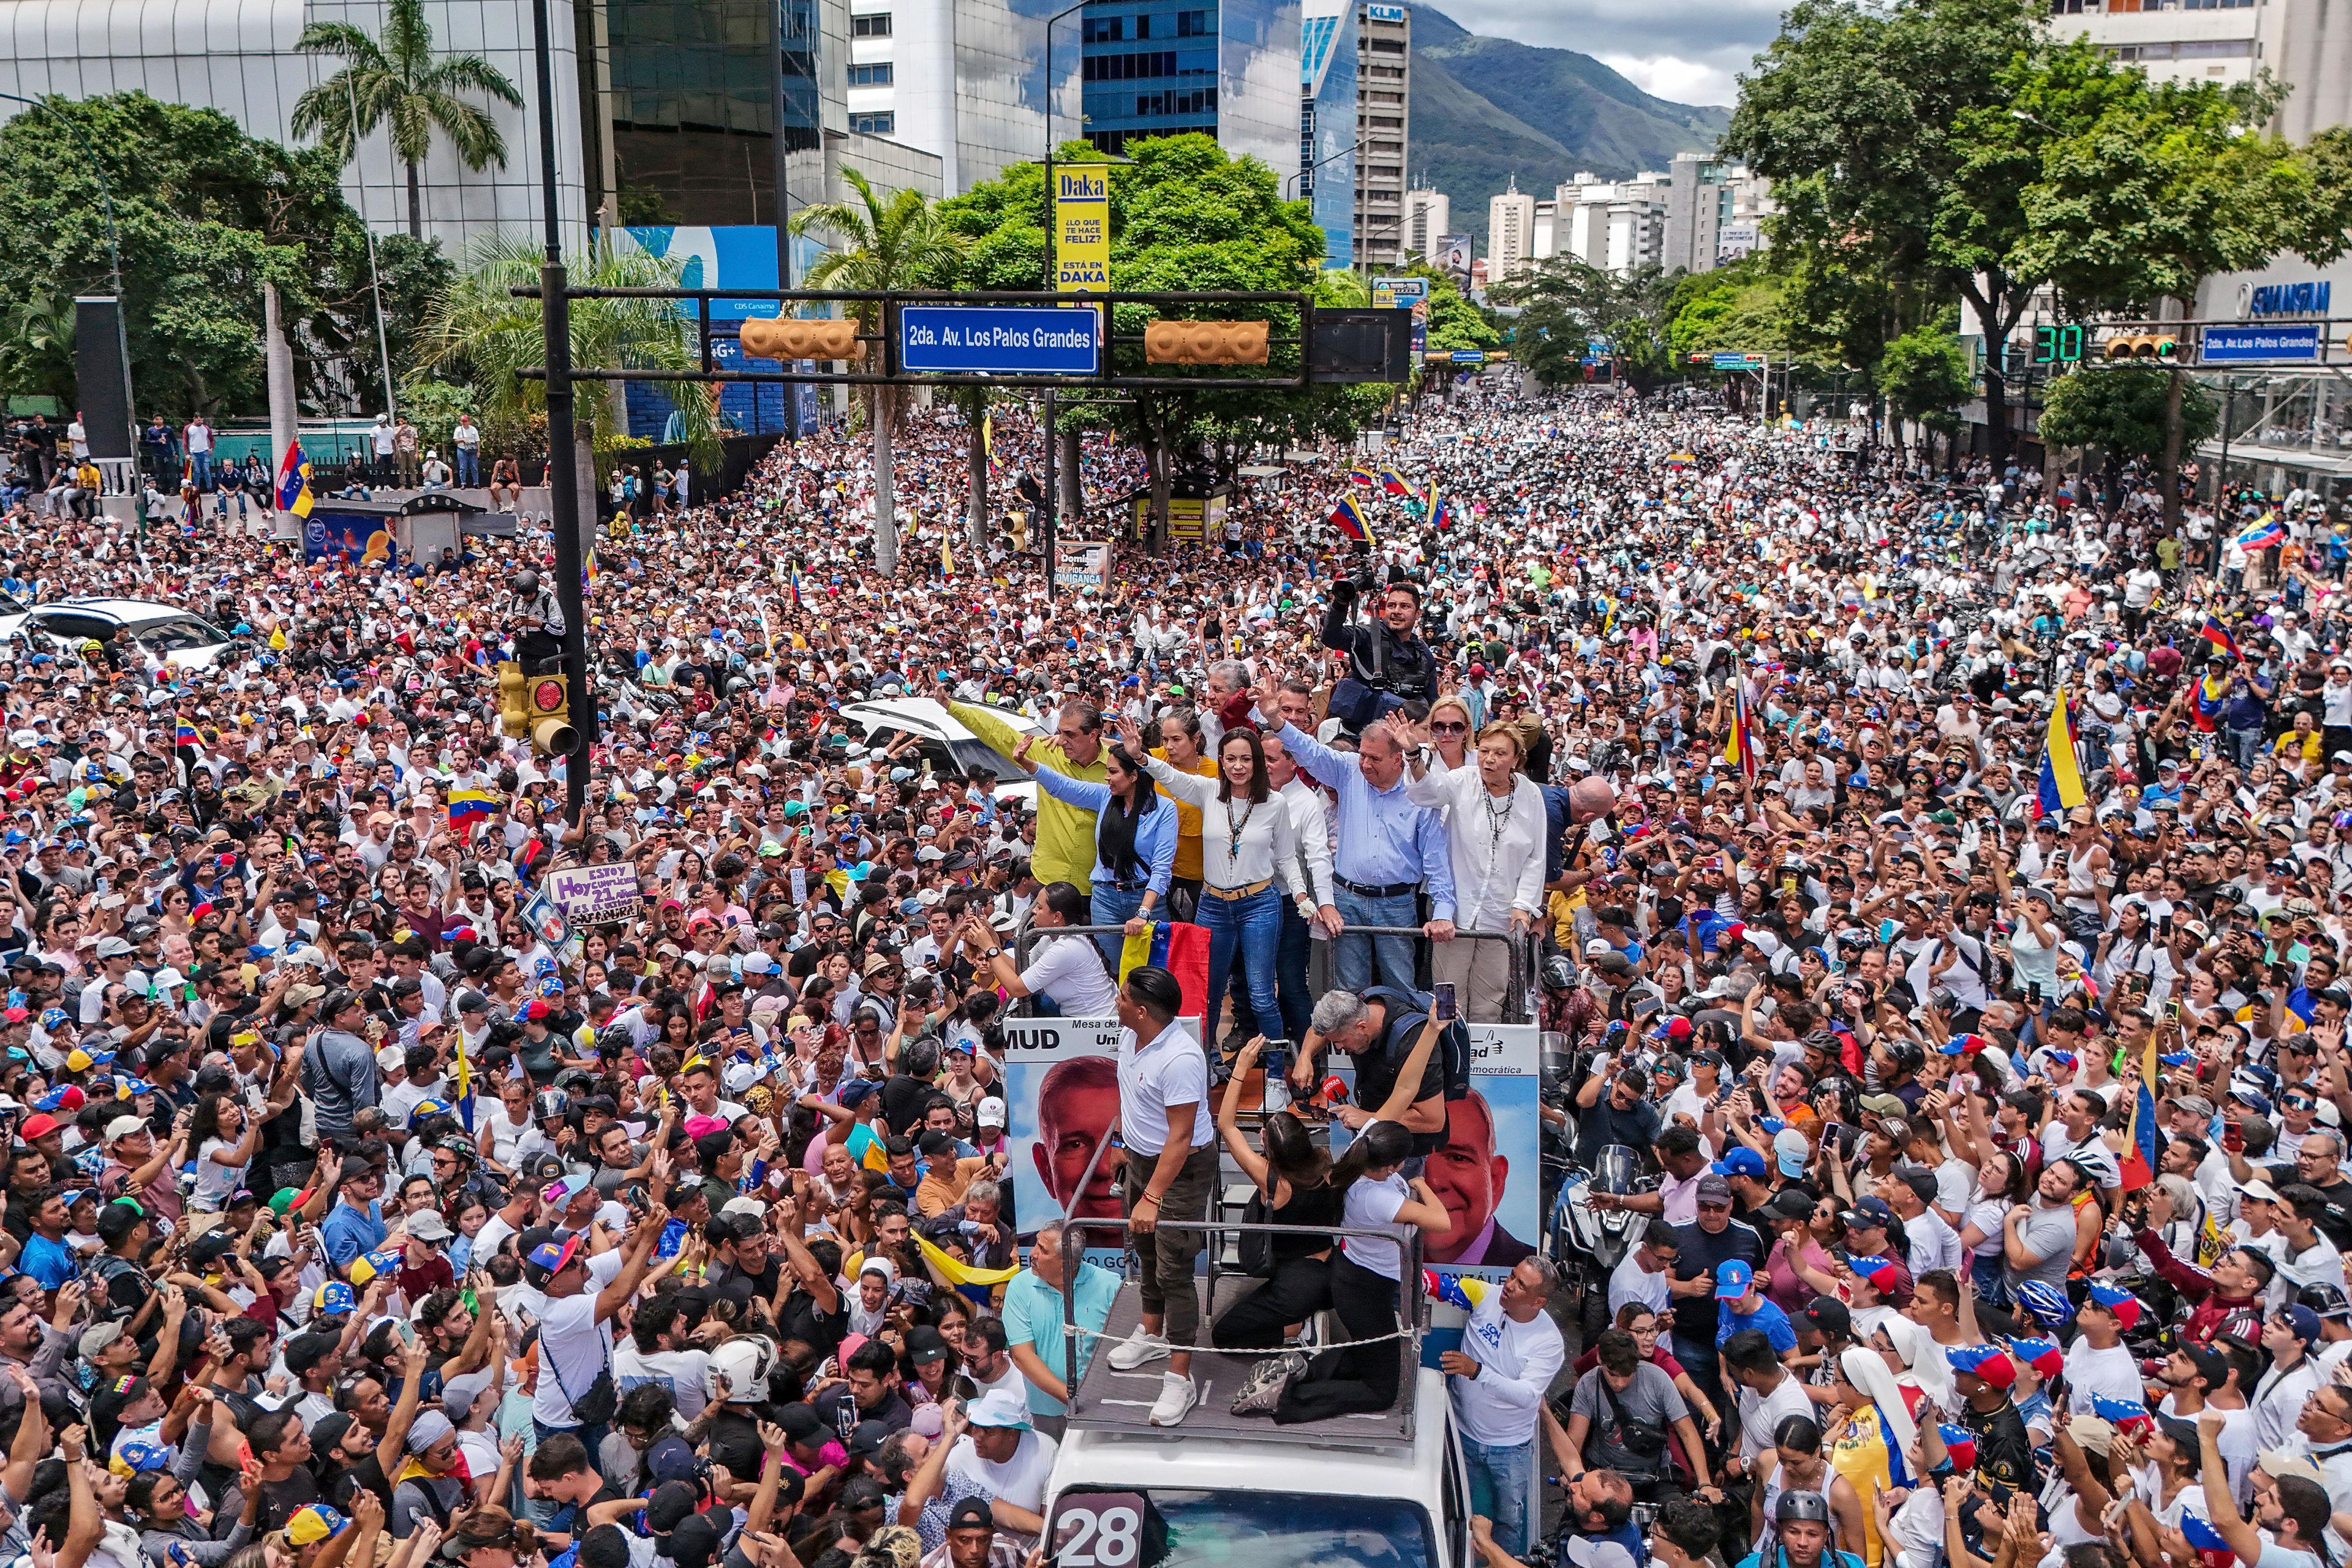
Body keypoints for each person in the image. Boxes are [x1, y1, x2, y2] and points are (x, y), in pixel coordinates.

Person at [1253, 668, 1458, 995]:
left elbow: (1436, 861)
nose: (1364, 764)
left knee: (1400, 988)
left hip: (1397, 903)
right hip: (1346, 899)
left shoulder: (1421, 794)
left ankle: (1399, 1046)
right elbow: (1310, 751)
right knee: (1349, 991)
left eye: (1374, 758)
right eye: (1361, 754)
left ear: (1398, 760)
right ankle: (1353, 1048)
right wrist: (1277, 721)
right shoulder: (1348, 771)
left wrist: (1444, 912)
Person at [1096, 966, 1215, 1426]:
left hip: (1180, 1171)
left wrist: (1153, 1197)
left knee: (1175, 1269)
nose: (1117, 1001)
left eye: (1123, 997)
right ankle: (1151, 1332)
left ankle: (1179, 1377)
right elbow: (1130, 1097)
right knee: (1145, 1251)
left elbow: (1182, 1136)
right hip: (1143, 1162)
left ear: (1141, 1011)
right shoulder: (1131, 1037)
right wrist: (1123, 1145)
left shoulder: (1181, 1059)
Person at [1011, 728, 1174, 970]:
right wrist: (1026, 762)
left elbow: (1162, 868)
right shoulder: (1105, 797)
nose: (1106, 778)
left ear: (1135, 776)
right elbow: (1063, 786)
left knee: (1153, 973)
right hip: (1105, 900)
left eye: (1113, 771)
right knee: (1116, 971)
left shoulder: (1165, 809)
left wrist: (1144, 913)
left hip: (1146, 899)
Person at [1444, 1256, 1565, 1558]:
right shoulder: (1486, 1296)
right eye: (1511, 1276)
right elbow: (1436, 1286)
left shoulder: (1549, 1343)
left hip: (1509, 1449)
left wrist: (1477, 1371)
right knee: (1463, 1515)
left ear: (1538, 1301)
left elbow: (1527, 1396)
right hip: (1461, 1435)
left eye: (1519, 1284)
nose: (1508, 1286)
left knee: (1509, 1524)